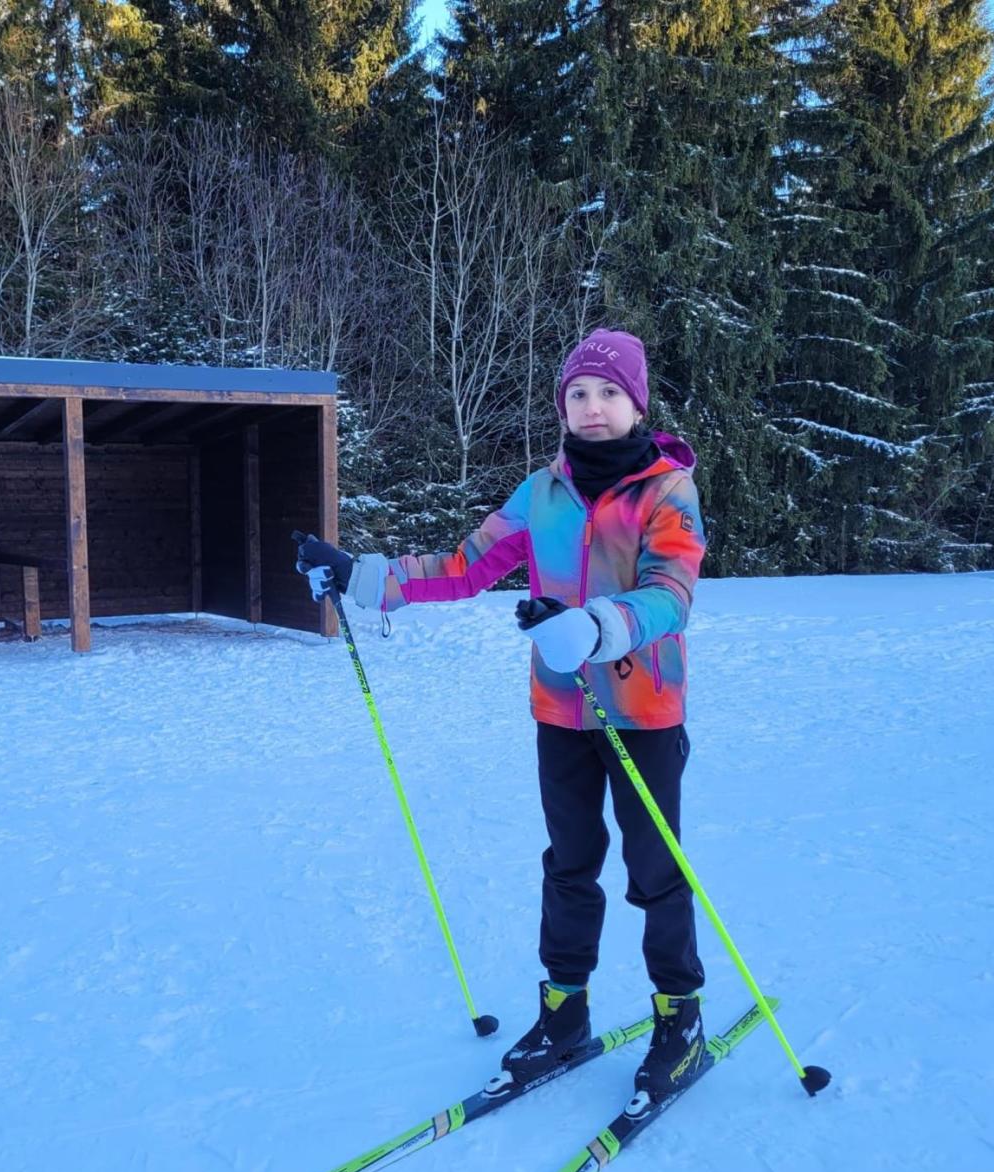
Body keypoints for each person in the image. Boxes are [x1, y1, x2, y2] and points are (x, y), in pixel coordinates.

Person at [296, 328, 707, 1112]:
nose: (592, 408)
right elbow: (463, 567)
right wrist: (363, 577)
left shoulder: (667, 492)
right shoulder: (540, 492)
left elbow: (670, 592)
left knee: (655, 871)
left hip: (644, 712)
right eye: (579, 394)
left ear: (636, 403)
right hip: (563, 710)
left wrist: (597, 624)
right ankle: (564, 1014)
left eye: (609, 393)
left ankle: (678, 1020)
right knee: (570, 863)